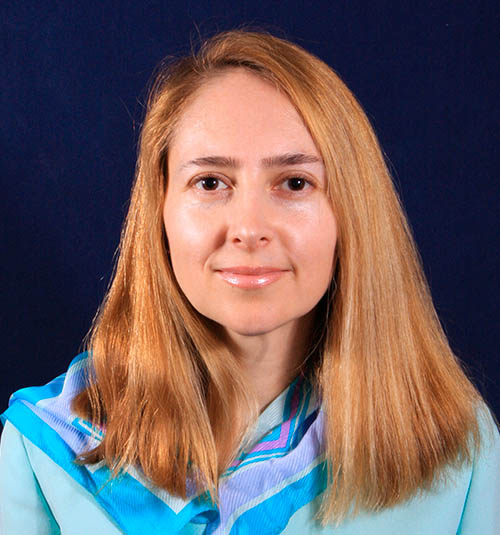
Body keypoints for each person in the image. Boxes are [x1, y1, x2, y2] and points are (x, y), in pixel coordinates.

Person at [1, 29, 498, 535]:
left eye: (295, 183)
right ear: (160, 213)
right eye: (210, 182)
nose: (249, 228)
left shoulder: (456, 447)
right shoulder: (42, 452)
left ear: (353, 214)